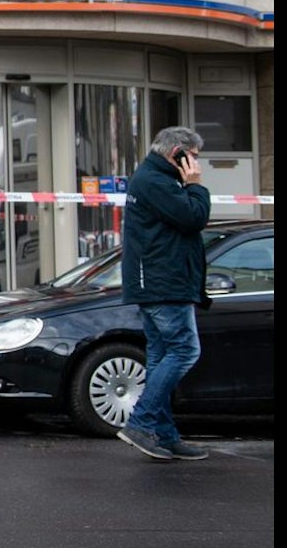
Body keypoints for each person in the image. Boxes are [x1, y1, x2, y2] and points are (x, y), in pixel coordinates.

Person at [116, 126, 214, 463]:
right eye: (193, 157)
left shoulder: (156, 178)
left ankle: (164, 435)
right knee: (185, 350)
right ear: (177, 154)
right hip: (164, 284)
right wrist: (195, 185)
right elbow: (194, 218)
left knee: (160, 357)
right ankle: (140, 424)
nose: (196, 164)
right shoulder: (157, 181)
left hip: (160, 283)